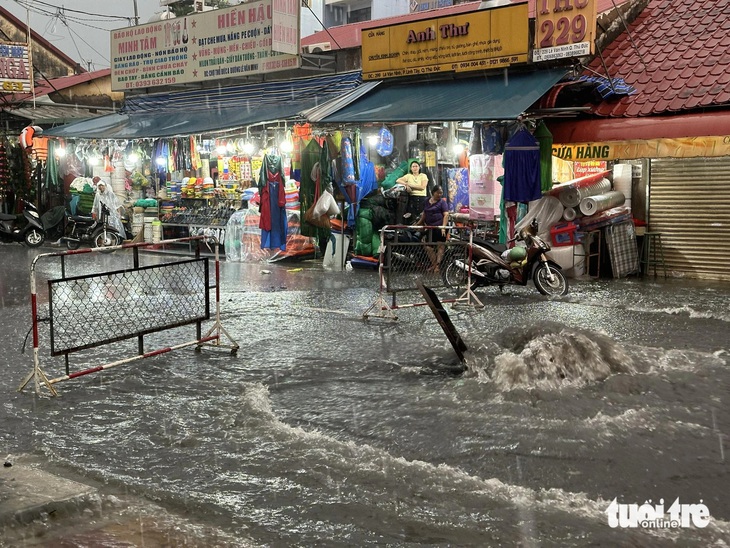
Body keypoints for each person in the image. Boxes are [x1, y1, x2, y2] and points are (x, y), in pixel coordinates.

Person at [416, 184, 449, 272]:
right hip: (430, 228)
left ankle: (437, 266)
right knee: (428, 246)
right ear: (433, 192)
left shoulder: (442, 202)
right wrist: (419, 224)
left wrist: (443, 227)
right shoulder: (427, 201)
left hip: (440, 227)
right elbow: (424, 214)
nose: (440, 195)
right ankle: (434, 265)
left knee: (440, 246)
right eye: (438, 193)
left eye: (441, 193)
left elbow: (446, 215)